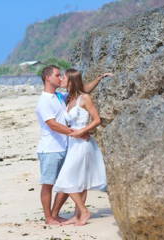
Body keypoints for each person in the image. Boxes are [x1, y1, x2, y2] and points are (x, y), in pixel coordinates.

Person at [35, 65, 111, 225]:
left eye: (63, 76)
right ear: (48, 78)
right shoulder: (44, 101)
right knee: (50, 184)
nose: (60, 78)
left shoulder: (61, 97)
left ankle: (61, 214)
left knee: (71, 180)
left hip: (68, 146)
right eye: (57, 75)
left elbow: (81, 90)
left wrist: (99, 79)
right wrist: (76, 133)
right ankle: (50, 217)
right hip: (51, 148)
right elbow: (52, 124)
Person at [53, 68, 107, 226]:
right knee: (79, 181)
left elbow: (97, 120)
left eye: (64, 78)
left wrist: (82, 131)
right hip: (72, 144)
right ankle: (77, 216)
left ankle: (84, 211)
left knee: (65, 179)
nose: (61, 79)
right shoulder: (68, 99)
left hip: (83, 143)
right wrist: (98, 79)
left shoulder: (84, 98)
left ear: (71, 81)